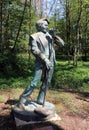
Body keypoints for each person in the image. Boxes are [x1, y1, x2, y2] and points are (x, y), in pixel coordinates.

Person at [19, 18, 64, 108]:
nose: (47, 27)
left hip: (51, 61)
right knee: (35, 82)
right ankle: (22, 101)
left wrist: (54, 36)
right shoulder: (34, 36)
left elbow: (62, 44)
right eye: (45, 25)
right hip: (40, 62)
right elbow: (34, 50)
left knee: (47, 82)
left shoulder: (49, 35)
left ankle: (40, 99)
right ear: (39, 26)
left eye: (47, 25)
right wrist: (45, 59)